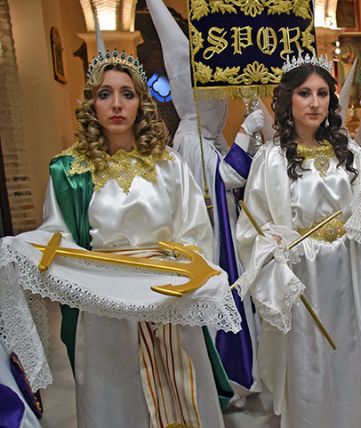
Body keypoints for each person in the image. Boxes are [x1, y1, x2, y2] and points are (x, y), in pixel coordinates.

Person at [0, 50, 242, 427]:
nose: (116, 104)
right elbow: (57, 238)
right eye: (105, 94)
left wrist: (176, 278)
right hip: (104, 308)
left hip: (168, 300)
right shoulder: (70, 170)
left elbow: (195, 233)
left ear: (141, 103)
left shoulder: (170, 164)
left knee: (183, 392)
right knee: (117, 404)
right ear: (91, 104)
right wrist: (23, 248)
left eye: (127, 94)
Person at [235, 54, 361, 428]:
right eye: (304, 93)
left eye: (322, 93)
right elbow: (252, 229)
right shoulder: (271, 158)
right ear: (288, 100)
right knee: (311, 363)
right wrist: (273, 249)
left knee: (358, 355)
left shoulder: (353, 154)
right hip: (303, 277)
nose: (314, 103)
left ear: (332, 100)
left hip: (353, 271)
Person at [148, 0, 268, 402]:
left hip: (224, 231)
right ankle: (227, 380)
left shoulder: (204, 136)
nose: (222, 105)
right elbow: (224, 180)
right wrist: (246, 136)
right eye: (216, 99)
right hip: (210, 241)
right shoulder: (190, 139)